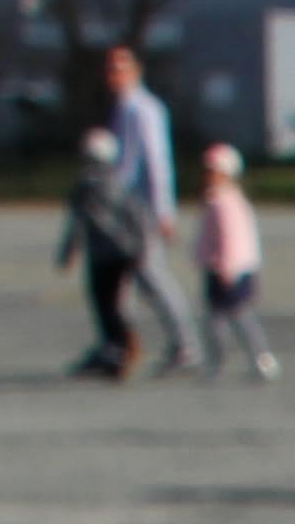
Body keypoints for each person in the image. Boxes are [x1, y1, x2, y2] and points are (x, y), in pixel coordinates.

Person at [98, 45, 205, 373]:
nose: (113, 74)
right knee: (121, 283)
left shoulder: (143, 110)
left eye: (121, 67)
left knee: (152, 277)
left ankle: (186, 345)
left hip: (140, 211)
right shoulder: (122, 108)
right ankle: (120, 345)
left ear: (136, 71)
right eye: (110, 68)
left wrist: (163, 211)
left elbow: (156, 163)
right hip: (121, 210)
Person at [58, 132, 150, 378]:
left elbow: (77, 221)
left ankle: (116, 348)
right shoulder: (121, 180)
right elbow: (136, 214)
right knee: (115, 303)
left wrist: (67, 252)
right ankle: (119, 345)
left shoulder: (85, 184)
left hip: (102, 253)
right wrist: (140, 246)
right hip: (125, 251)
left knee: (104, 303)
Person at [195, 140, 279, 378]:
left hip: (229, 270)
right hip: (224, 267)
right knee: (216, 320)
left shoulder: (224, 203)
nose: (207, 177)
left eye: (212, 172)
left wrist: (227, 267)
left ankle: (259, 358)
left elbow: (230, 238)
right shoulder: (222, 199)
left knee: (238, 317)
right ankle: (218, 361)